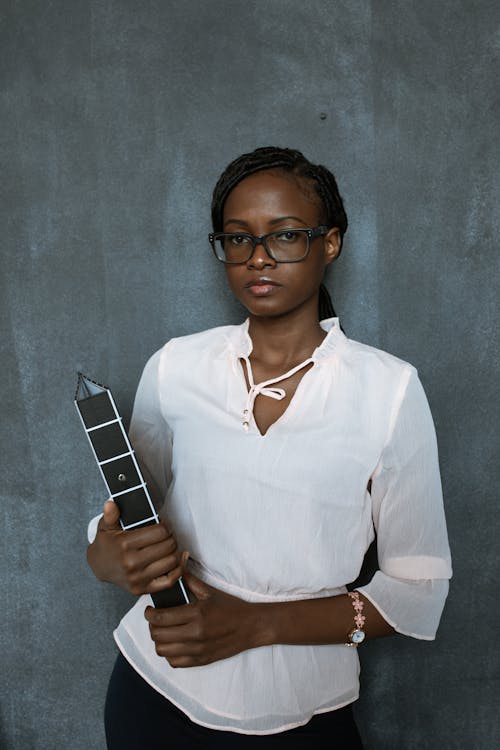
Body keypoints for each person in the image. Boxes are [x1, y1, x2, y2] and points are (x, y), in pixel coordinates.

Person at [87, 146, 452, 749]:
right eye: (237, 239)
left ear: (330, 243)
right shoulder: (177, 366)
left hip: (303, 711)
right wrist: (106, 557)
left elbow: (417, 590)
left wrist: (255, 626)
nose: (257, 257)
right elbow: (127, 515)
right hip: (153, 687)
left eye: (285, 236)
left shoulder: (389, 389)